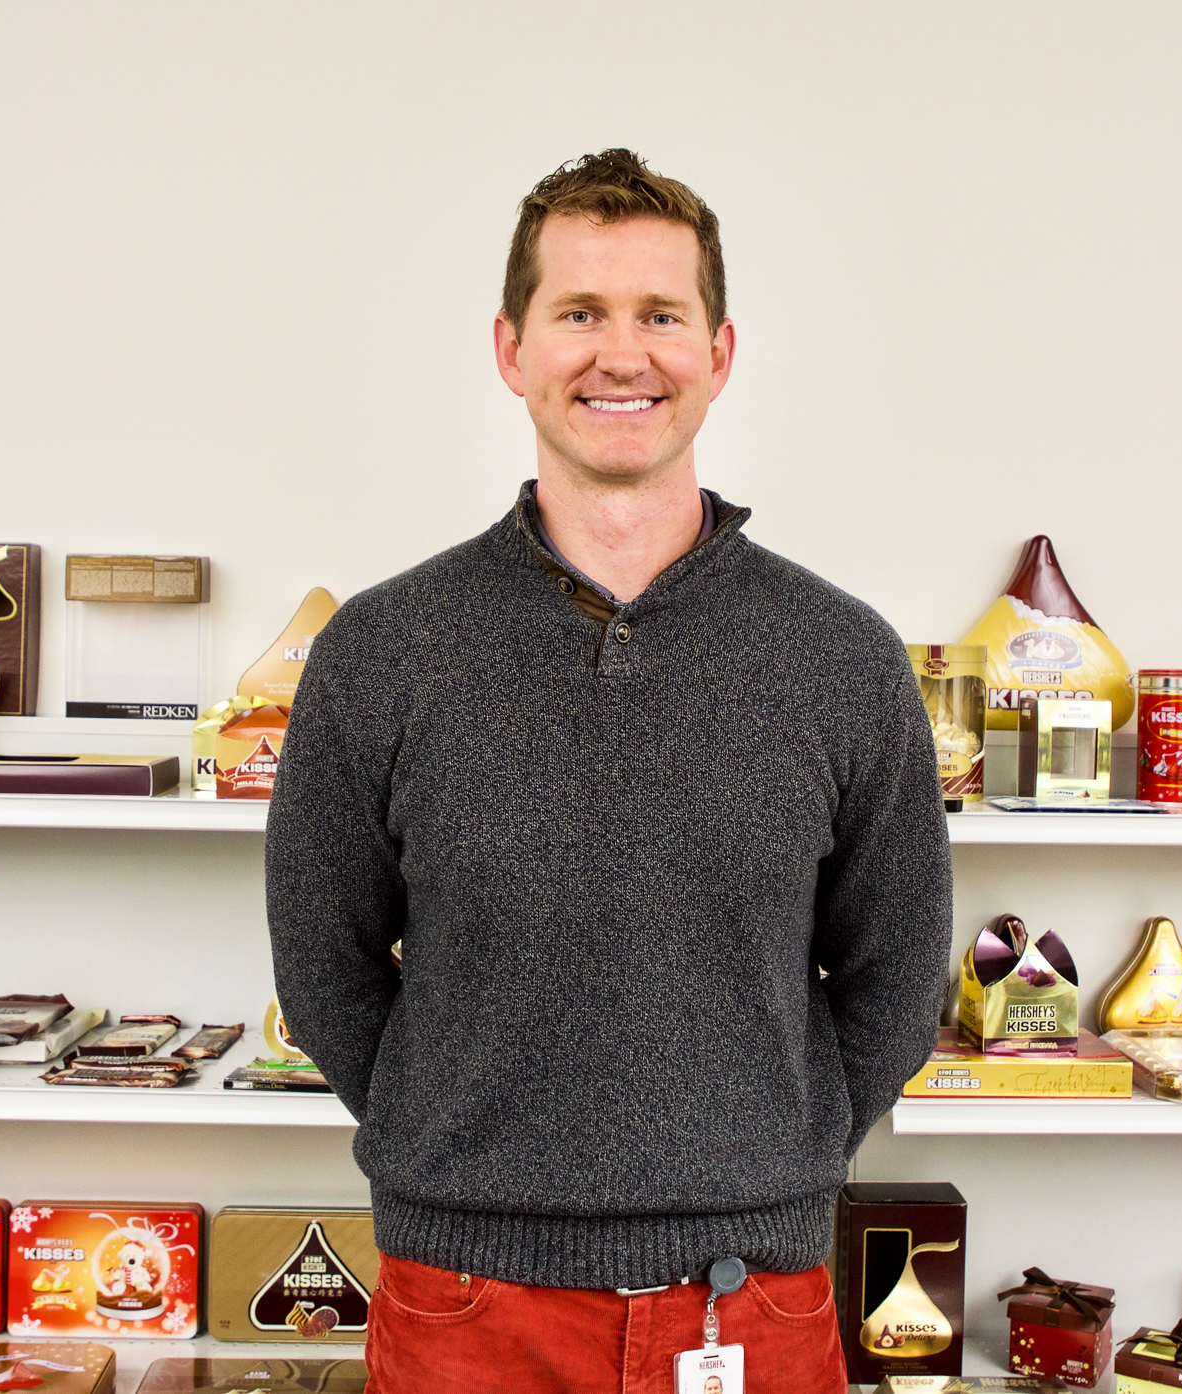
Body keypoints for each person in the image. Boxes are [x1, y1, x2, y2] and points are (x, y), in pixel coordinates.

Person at [267, 148, 951, 1394]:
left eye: (658, 316)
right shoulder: (380, 650)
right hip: (464, 1304)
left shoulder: (839, 655)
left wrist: (771, 1154)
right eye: (577, 313)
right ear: (509, 349)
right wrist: (454, 1145)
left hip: (749, 1300)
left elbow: (898, 972)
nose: (619, 354)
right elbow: (323, 967)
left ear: (719, 352)